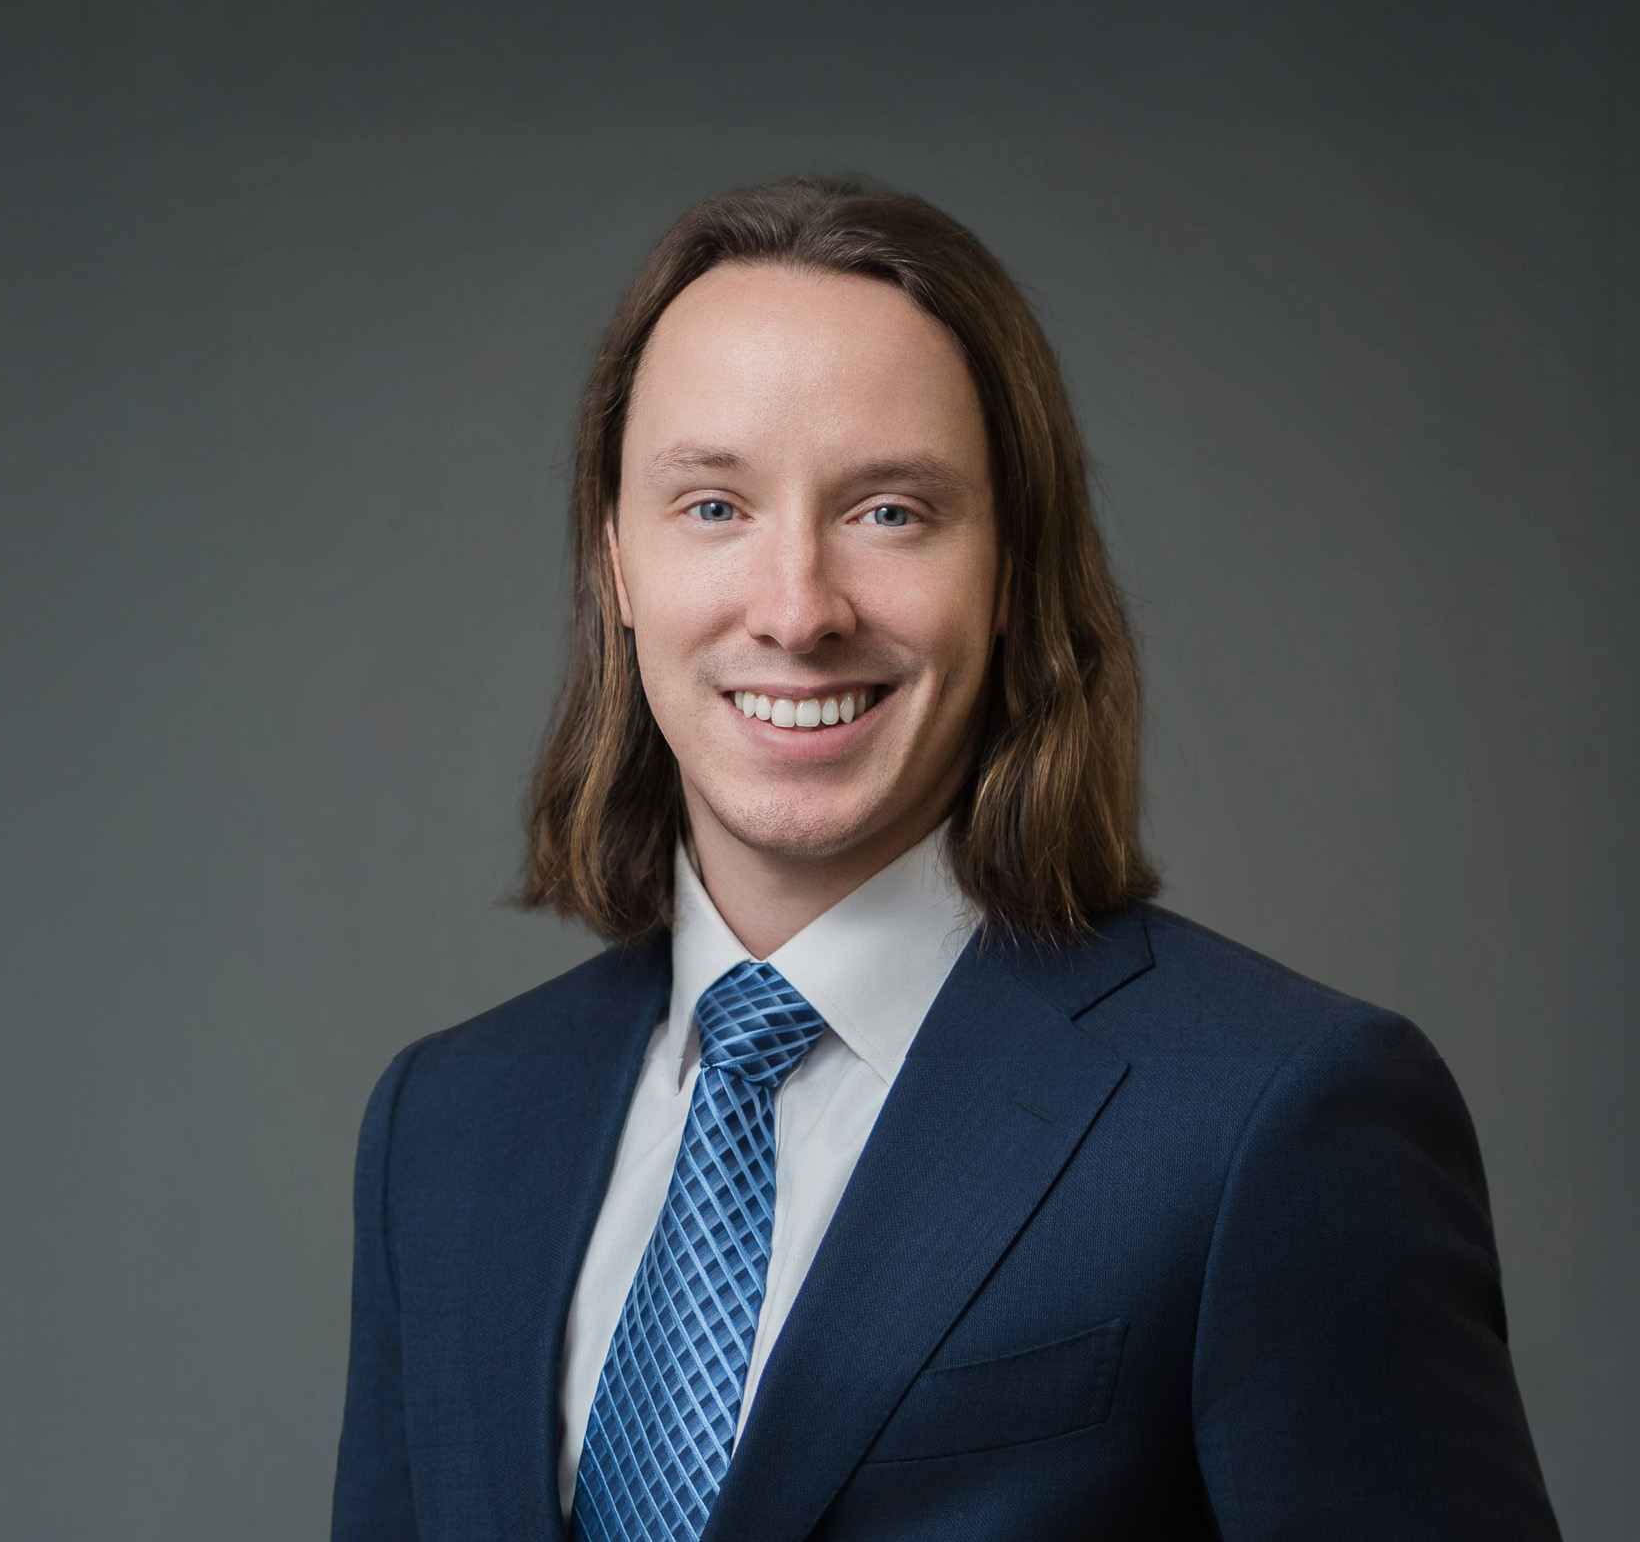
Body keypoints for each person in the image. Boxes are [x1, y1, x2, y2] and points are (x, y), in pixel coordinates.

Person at [330, 175, 1560, 1542]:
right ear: (617, 559)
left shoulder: (1276, 1118)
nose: (797, 611)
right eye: (714, 507)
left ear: (1013, 569)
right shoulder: (443, 1133)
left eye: (891, 512)